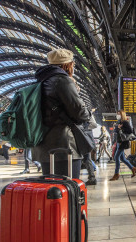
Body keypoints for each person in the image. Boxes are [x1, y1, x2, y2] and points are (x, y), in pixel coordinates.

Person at [32, 49, 90, 179]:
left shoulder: (42, 80)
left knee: (52, 192)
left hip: (44, 146)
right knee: (69, 190)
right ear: (67, 65)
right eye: (72, 64)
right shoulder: (63, 80)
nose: (73, 66)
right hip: (64, 146)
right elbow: (80, 113)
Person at [110, 110, 136, 181]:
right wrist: (117, 127)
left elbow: (130, 131)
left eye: (119, 114)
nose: (117, 115)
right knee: (122, 159)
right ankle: (132, 168)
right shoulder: (118, 122)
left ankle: (116, 174)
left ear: (122, 115)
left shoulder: (125, 122)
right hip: (119, 142)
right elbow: (115, 131)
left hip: (123, 142)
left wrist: (121, 128)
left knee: (116, 157)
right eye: (117, 114)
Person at [82, 109, 98, 185]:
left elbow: (94, 125)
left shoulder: (87, 113)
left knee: (86, 158)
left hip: (85, 138)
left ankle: (92, 178)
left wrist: (84, 128)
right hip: (85, 138)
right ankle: (92, 178)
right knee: (86, 158)